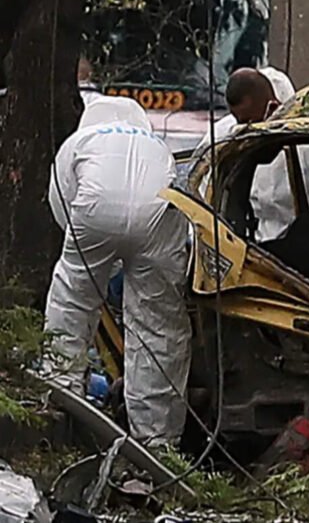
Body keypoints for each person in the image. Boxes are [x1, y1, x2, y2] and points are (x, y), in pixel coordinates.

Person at [45, 96, 191, 448]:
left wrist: (96, 264)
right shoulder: (156, 144)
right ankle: (157, 442)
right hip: (159, 214)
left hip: (95, 210)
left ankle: (61, 400)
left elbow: (62, 207)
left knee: (73, 305)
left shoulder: (78, 143)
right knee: (158, 326)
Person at [196, 67, 309, 241]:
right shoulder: (223, 136)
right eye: (243, 123)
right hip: (250, 253)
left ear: (275, 107)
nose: (248, 130)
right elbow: (204, 203)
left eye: (254, 122)